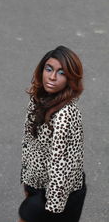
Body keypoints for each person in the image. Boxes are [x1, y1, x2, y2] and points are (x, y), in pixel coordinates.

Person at [18, 46, 87, 222]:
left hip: (59, 194)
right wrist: (28, 182)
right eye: (49, 69)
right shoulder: (39, 98)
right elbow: (30, 143)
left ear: (70, 78)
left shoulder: (65, 115)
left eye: (61, 73)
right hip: (40, 185)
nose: (52, 77)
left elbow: (62, 165)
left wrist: (51, 207)